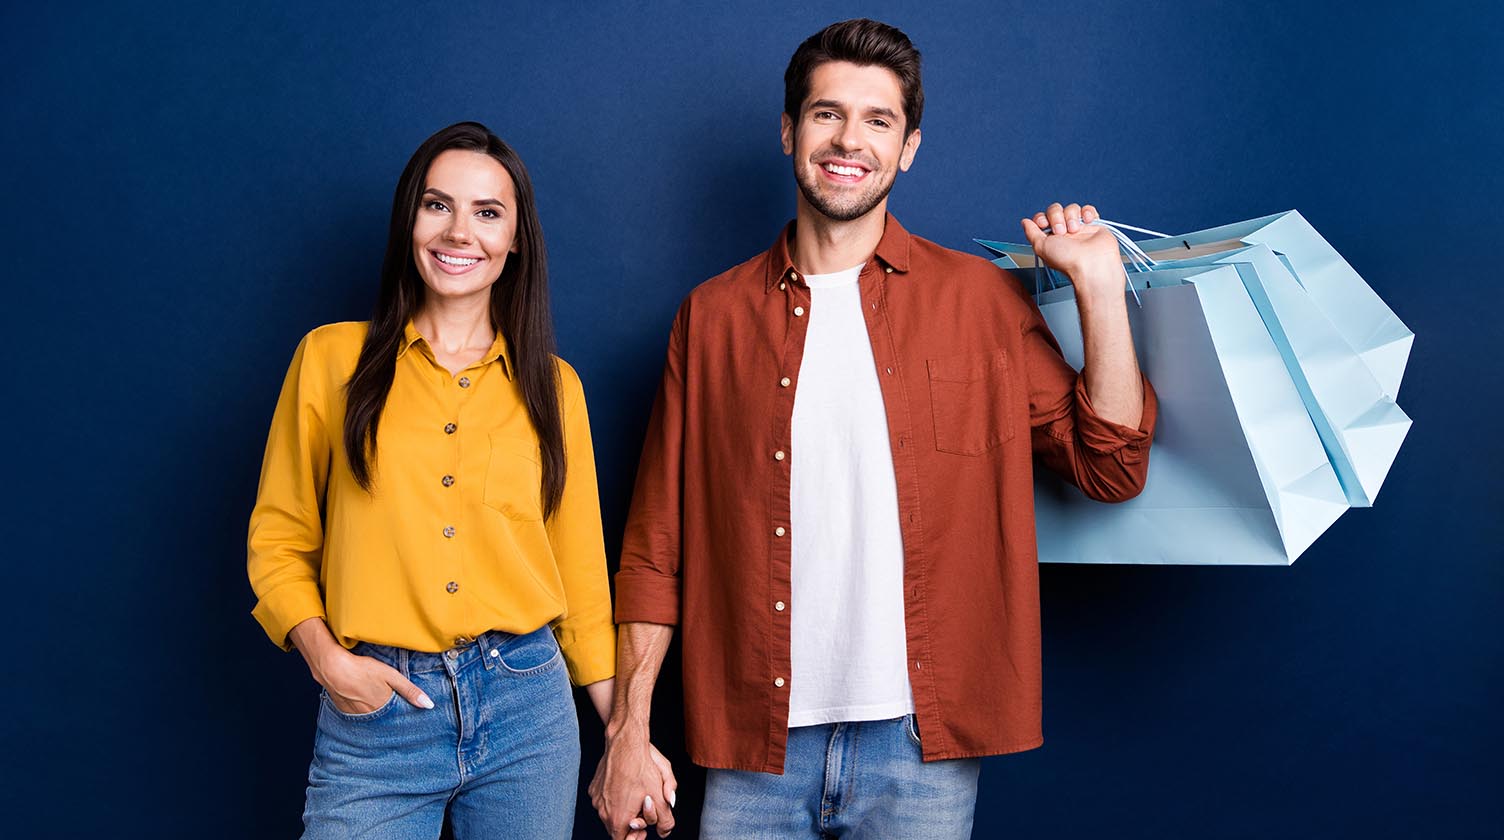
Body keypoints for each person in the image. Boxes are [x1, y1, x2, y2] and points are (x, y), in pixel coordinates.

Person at [593, 19, 1158, 840]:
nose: (848, 140)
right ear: (790, 132)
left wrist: (1101, 289)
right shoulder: (711, 319)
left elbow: (1113, 468)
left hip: (921, 745)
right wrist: (628, 733)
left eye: (878, 120)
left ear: (909, 147)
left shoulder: (979, 303)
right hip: (755, 744)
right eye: (826, 114)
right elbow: (655, 547)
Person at [247, 121, 669, 839]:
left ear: (514, 242)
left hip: (526, 711)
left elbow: (579, 583)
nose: (459, 231)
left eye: (487, 212)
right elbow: (279, 539)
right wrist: (327, 660)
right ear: (410, 219)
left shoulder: (553, 388)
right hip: (378, 710)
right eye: (437, 205)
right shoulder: (329, 361)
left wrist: (627, 737)